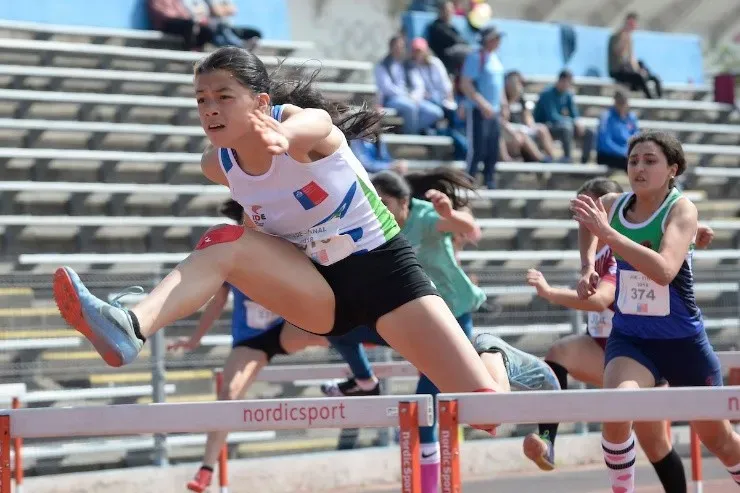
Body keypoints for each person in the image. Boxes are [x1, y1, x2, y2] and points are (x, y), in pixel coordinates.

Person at [52, 46, 505, 439]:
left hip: (385, 276)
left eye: (223, 97)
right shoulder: (217, 164)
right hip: (313, 289)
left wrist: (282, 135)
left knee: (487, 413)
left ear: (261, 101)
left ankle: (494, 355)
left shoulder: (300, 125)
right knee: (225, 242)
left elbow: (318, 123)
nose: (210, 109)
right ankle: (131, 322)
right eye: (201, 100)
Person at [320, 168, 560, 493]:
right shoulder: (372, 224)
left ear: (405, 202)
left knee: (427, 404)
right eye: (376, 201)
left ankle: (498, 357)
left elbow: (471, 229)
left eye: (387, 202)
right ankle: (366, 382)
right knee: (336, 329)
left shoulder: (425, 216)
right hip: (407, 317)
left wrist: (451, 215)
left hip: (452, 319)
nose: (381, 208)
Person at [571, 131, 740, 492]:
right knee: (616, 411)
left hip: (684, 343)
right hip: (632, 340)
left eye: (650, 161)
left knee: (721, 442)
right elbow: (588, 220)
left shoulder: (682, 209)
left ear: (672, 169)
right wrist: (587, 265)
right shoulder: (614, 204)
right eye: (633, 161)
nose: (639, 168)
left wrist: (610, 236)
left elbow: (664, 270)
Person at [525, 177, 716, 493]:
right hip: (603, 346)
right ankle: (548, 442)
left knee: (655, 445)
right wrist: (586, 266)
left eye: (588, 212)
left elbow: (602, 299)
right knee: (558, 352)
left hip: (637, 352)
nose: (582, 223)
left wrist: (550, 292)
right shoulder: (595, 251)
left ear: (609, 210)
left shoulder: (620, 251)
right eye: (579, 216)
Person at [172, 199, 329, 493]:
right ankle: (206, 469)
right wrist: (194, 339)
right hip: (251, 340)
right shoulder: (230, 250)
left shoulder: (285, 244)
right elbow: (216, 302)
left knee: (323, 330)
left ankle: (362, 353)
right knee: (229, 394)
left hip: (285, 327)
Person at [459, 25, 507, 189]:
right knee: (477, 148)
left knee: (492, 148)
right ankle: (469, 179)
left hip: (494, 111)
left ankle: (489, 179)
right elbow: (466, 84)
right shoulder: (475, 57)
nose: (498, 41)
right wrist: (482, 104)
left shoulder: (496, 57)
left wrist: (504, 103)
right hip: (478, 110)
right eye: (495, 37)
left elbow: (499, 85)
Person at [375, 35, 444, 135]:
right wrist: (405, 95)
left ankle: (407, 131)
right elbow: (386, 87)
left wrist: (414, 96)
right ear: (391, 47)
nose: (399, 49)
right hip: (393, 99)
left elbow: (419, 85)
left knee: (436, 112)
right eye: (397, 47)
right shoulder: (383, 65)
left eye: (401, 47)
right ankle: (411, 136)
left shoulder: (408, 64)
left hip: (411, 98)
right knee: (410, 107)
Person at [533, 70, 594, 164]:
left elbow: (574, 114)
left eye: (569, 83)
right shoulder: (547, 94)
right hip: (545, 126)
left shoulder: (568, 94)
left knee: (589, 132)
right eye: (565, 82)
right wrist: (571, 121)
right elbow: (552, 117)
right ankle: (567, 159)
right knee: (567, 128)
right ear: (560, 80)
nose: (567, 85)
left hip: (561, 125)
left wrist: (577, 121)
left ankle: (584, 163)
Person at [608, 12, 663, 99]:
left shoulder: (629, 38)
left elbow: (631, 59)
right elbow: (618, 54)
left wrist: (638, 69)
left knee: (653, 77)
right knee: (639, 77)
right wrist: (624, 37)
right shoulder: (617, 36)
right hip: (618, 71)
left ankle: (659, 98)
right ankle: (651, 99)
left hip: (627, 69)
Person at [596, 90, 639, 172]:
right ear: (615, 102)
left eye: (624, 102)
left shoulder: (631, 117)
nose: (623, 105)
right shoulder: (606, 117)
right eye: (620, 102)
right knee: (632, 164)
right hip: (608, 155)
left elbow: (636, 137)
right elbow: (605, 143)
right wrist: (623, 152)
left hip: (627, 154)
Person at [426, 1, 472, 74]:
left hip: (454, 56)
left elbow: (461, 40)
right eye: (446, 10)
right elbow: (454, 39)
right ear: (440, 11)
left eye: (451, 10)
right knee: (467, 51)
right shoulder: (436, 26)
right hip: (443, 57)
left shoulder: (451, 26)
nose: (449, 12)